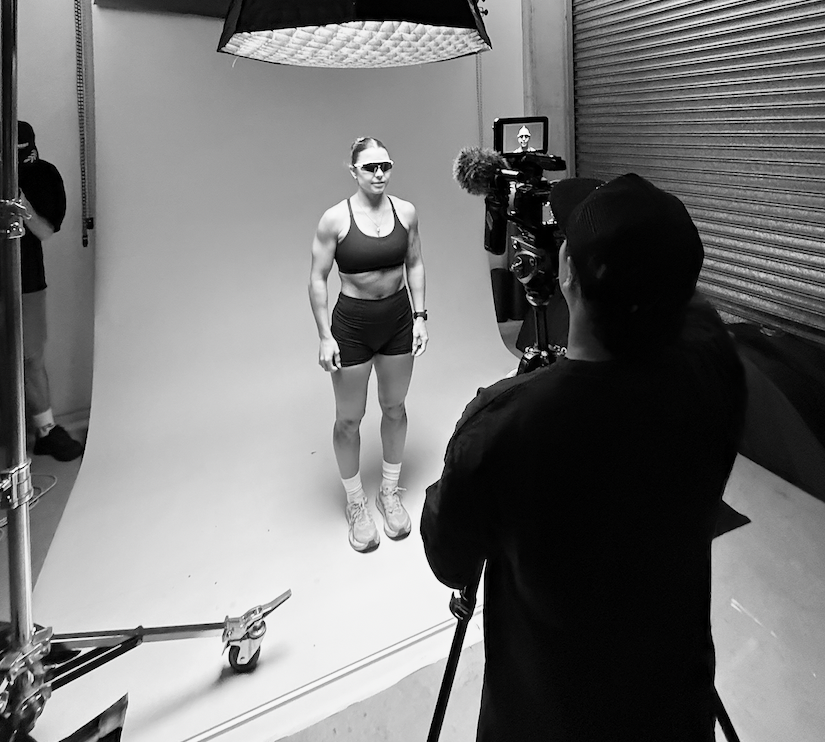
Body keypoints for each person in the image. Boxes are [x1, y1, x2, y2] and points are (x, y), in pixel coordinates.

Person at [421, 172, 747, 742]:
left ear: (567, 273)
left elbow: (450, 558)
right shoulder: (715, 373)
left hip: (546, 716)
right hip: (672, 707)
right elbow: (681, 307)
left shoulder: (502, 426)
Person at [309, 136, 428, 553]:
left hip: (396, 320)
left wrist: (419, 318)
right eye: (370, 167)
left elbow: (414, 263)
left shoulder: (406, 212)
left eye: (385, 166)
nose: (379, 174)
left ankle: (389, 492)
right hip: (353, 326)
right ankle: (356, 503)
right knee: (349, 420)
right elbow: (316, 279)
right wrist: (325, 336)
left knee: (395, 407)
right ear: (354, 170)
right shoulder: (334, 220)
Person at [0, 121, 84, 461]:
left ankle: (45, 430)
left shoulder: (43, 174)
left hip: (24, 281)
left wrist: (17, 202)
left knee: (30, 358)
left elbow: (44, 232)